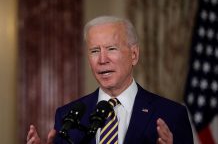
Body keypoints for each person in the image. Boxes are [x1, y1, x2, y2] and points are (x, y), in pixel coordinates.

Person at [27, 16, 193, 144]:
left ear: (134, 55)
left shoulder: (171, 115)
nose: (102, 59)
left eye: (111, 49)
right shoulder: (67, 117)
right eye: (94, 51)